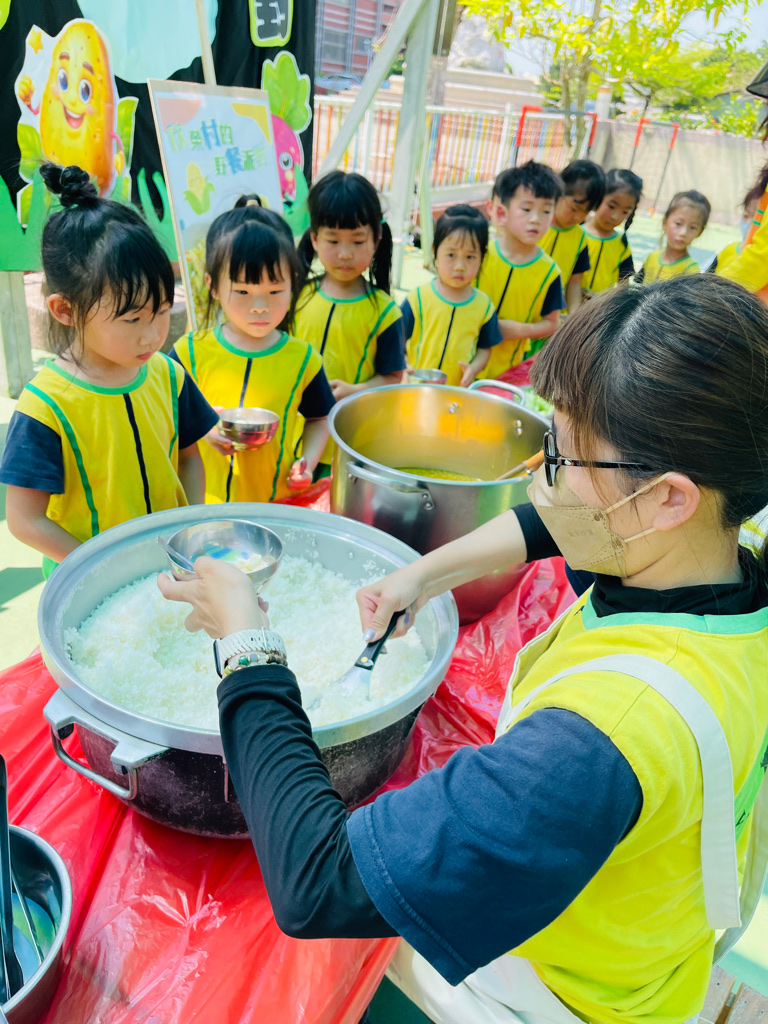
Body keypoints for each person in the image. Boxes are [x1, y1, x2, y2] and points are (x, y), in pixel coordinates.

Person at [158, 271, 768, 1024]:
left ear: (669, 497)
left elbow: (318, 883)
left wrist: (247, 643)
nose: (540, 480)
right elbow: (567, 519)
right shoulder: (719, 560)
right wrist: (423, 574)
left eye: (562, 458)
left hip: (562, 994)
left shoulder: (598, 741)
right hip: (646, 939)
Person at [0, 163, 216, 578]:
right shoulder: (45, 407)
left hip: (171, 569)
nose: (153, 335)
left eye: (162, 310)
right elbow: (25, 519)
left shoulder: (169, 375)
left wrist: (190, 530)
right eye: (132, 319)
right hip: (92, 584)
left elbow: (190, 459)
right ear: (65, 310)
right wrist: (103, 566)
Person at [172, 202, 334, 503]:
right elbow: (165, 417)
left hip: (274, 506)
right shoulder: (187, 353)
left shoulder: (304, 360)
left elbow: (320, 418)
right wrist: (202, 428)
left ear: (293, 283)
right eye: (243, 292)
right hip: (203, 508)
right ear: (213, 286)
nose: (260, 307)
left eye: (274, 291)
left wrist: (307, 463)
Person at [294, 171, 405, 475]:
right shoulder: (296, 296)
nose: (345, 254)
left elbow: (393, 377)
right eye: (333, 240)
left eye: (357, 241)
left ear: (376, 239)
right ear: (314, 238)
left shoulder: (384, 312)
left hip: (347, 445)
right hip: (292, 439)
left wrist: (356, 389)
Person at [476, 161, 564, 377]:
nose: (536, 219)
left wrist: (518, 330)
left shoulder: (549, 272)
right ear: (502, 212)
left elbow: (551, 323)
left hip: (508, 372)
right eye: (526, 209)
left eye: (545, 211)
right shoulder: (479, 255)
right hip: (461, 362)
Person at [402, 204, 502, 387]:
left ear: (482, 257)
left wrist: (473, 369)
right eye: (451, 255)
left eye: (470, 257)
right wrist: (404, 365)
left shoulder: (484, 306)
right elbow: (397, 341)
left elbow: (485, 349)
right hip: (416, 388)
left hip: (457, 392)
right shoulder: (417, 299)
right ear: (435, 251)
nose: (459, 266)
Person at [541, 158, 605, 312]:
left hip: (553, 315)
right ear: (559, 191)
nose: (578, 217)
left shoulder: (580, 238)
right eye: (574, 208)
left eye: (586, 212)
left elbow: (574, 283)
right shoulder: (536, 222)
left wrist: (573, 316)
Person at [583, 168, 642, 293]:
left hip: (602, 305)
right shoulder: (577, 234)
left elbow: (623, 288)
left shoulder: (622, 245)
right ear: (599, 197)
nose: (616, 216)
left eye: (625, 212)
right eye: (611, 206)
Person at [635, 190, 709, 283]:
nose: (683, 233)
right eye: (678, 223)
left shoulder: (691, 271)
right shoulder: (651, 258)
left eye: (692, 227)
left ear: (700, 232)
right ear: (664, 222)